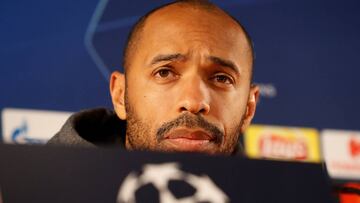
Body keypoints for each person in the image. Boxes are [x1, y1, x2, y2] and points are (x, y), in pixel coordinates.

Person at [48, 0, 259, 155]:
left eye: (221, 78)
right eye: (164, 72)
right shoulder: (29, 188)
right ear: (121, 95)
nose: (194, 102)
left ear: (249, 109)